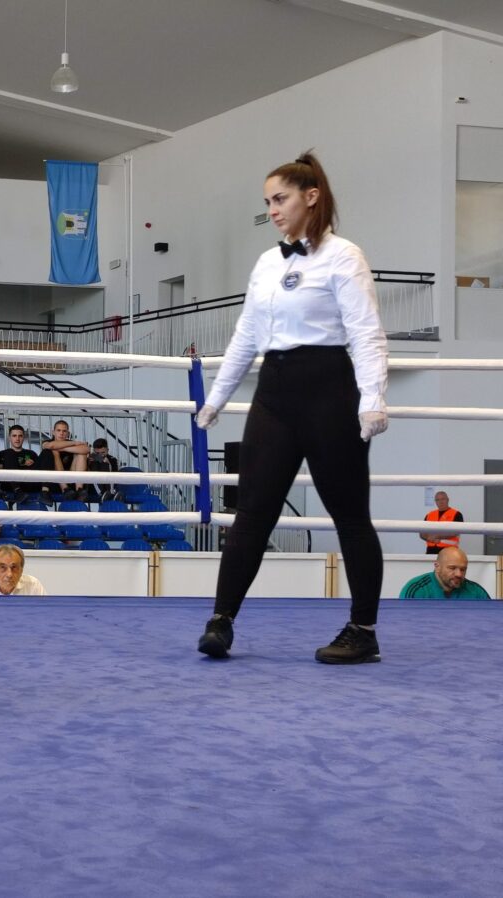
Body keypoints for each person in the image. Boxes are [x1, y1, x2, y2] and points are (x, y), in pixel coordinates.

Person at [195, 150, 389, 664]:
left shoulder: (344, 256)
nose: (273, 210)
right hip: (274, 393)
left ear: (312, 197)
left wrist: (373, 399)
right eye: (267, 202)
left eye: (280, 199)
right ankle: (220, 621)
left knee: (350, 514)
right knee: (252, 511)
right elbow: (246, 335)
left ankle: (363, 629)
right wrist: (217, 397)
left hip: (329, 390)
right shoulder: (266, 262)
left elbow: (366, 333)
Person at [399, 546, 490, 600]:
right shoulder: (417, 589)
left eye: (463, 569)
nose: (459, 574)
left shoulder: (477, 592)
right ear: (437, 567)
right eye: (452, 568)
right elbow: (403, 621)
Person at [38, 420, 90, 501]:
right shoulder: (47, 441)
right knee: (53, 451)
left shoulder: (71, 442)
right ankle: (64, 489)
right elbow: (50, 446)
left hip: (72, 479)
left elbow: (86, 449)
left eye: (64, 431)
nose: (61, 433)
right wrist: (74, 444)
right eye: (58, 430)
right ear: (53, 432)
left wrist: (63, 448)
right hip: (55, 482)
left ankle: (79, 489)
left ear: (68, 433)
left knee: (81, 453)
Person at [0, 424, 40, 504]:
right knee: (9, 453)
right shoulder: (3, 454)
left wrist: (33, 464)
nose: (17, 439)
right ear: (9, 438)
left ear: (23, 437)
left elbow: (38, 471)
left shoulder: (31, 454)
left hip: (27, 486)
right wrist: (23, 465)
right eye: (14, 436)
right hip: (9, 487)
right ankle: (17, 490)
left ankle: (19, 491)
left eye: (20, 436)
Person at [420, 490, 463, 555]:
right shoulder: (429, 515)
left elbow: (456, 532)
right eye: (437, 500)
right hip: (430, 551)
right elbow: (422, 533)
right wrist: (429, 538)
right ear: (435, 502)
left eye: (443, 499)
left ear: (448, 500)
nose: (440, 502)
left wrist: (437, 536)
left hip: (449, 551)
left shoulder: (456, 514)